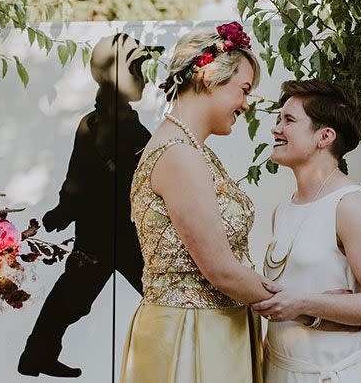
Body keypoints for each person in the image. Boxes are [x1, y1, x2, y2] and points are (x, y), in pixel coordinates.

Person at [119, 22, 278, 383]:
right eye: (243, 89)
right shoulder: (180, 155)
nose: (247, 105)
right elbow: (220, 270)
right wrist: (304, 307)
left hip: (212, 327)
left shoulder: (188, 148)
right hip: (193, 334)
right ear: (208, 77)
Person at [18, 34, 162, 378]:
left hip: (97, 235)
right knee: (162, 295)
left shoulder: (92, 122)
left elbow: (75, 180)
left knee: (71, 299)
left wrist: (61, 213)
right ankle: (36, 356)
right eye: (139, 70)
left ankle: (36, 356)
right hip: (123, 236)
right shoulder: (129, 129)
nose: (144, 78)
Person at [253, 79, 361, 382]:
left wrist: (305, 304)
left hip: (335, 374)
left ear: (324, 136)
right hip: (281, 371)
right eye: (279, 120)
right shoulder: (283, 209)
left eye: (289, 120)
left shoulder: (350, 204)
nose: (276, 129)